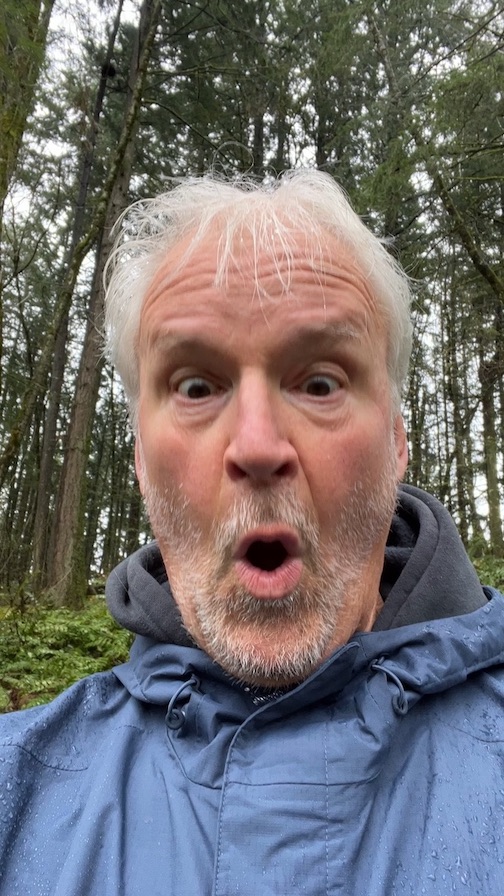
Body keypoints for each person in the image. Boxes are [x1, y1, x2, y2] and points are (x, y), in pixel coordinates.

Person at [1, 170, 503, 896]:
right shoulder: (17, 790)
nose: (258, 446)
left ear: (397, 443)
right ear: (140, 460)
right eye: (196, 387)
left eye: (321, 383)